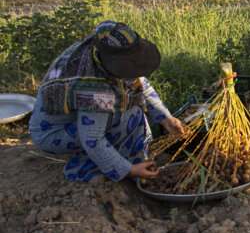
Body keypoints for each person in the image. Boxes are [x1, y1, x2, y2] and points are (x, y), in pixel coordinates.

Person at [29, 21, 184, 182]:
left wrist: (165, 118)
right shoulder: (95, 90)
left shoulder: (98, 51)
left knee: (130, 113)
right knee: (128, 116)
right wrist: (129, 170)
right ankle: (85, 170)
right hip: (52, 134)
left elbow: (140, 82)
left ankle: (119, 159)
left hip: (72, 122)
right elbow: (92, 139)